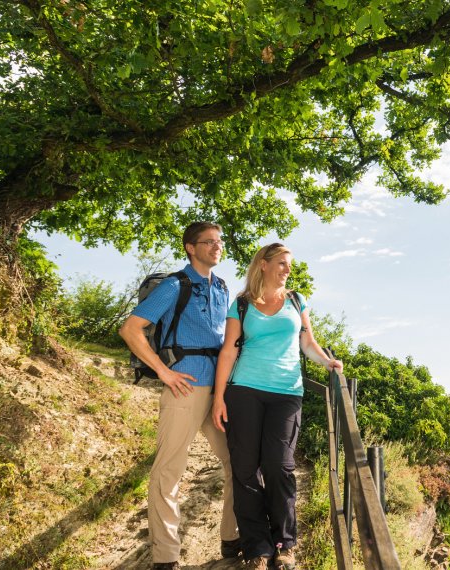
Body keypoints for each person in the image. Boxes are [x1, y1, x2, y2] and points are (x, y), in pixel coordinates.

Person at [211, 243, 343, 570]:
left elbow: (307, 342)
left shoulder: (296, 301)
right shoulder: (241, 304)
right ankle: (258, 548)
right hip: (244, 390)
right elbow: (228, 350)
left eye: (289, 264)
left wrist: (328, 362)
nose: (287, 269)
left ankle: (284, 543)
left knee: (279, 465)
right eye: (282, 263)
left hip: (286, 392)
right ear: (264, 264)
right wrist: (218, 397)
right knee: (244, 469)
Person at [119, 221, 239, 570]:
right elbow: (131, 329)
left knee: (237, 463)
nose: (217, 247)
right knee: (168, 471)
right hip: (184, 388)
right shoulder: (174, 285)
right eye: (208, 242)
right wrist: (163, 371)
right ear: (190, 247)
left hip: (218, 391)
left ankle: (231, 539)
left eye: (219, 241)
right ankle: (166, 557)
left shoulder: (222, 288)